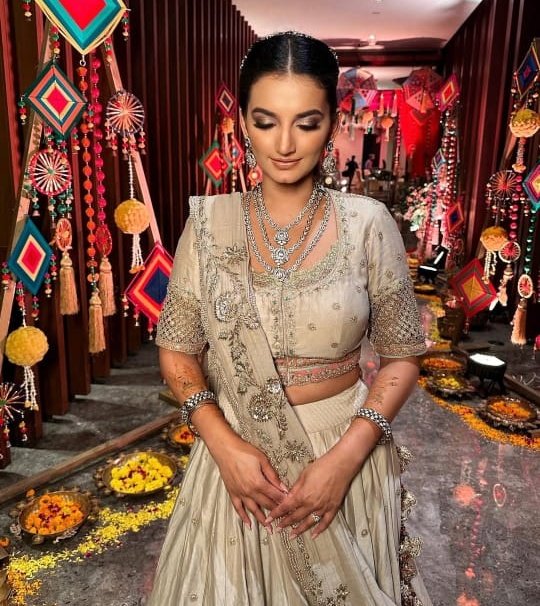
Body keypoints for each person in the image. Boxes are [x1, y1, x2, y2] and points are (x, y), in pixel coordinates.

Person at [149, 31, 431, 606]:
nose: (283, 144)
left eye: (306, 123)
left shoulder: (368, 224)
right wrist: (223, 445)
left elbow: (402, 359)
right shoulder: (208, 226)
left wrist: (345, 460)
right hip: (237, 464)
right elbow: (177, 350)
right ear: (242, 123)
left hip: (343, 456)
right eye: (265, 121)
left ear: (333, 123)